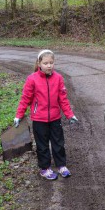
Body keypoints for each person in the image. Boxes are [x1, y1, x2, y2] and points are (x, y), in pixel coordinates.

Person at [14, 49, 78, 180]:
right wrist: (18, 115)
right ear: (39, 64)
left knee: (58, 143)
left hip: (55, 118)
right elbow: (25, 98)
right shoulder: (32, 79)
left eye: (51, 62)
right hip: (39, 119)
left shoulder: (58, 78)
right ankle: (45, 168)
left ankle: (61, 165)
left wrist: (70, 114)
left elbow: (63, 99)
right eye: (45, 63)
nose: (49, 65)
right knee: (42, 145)